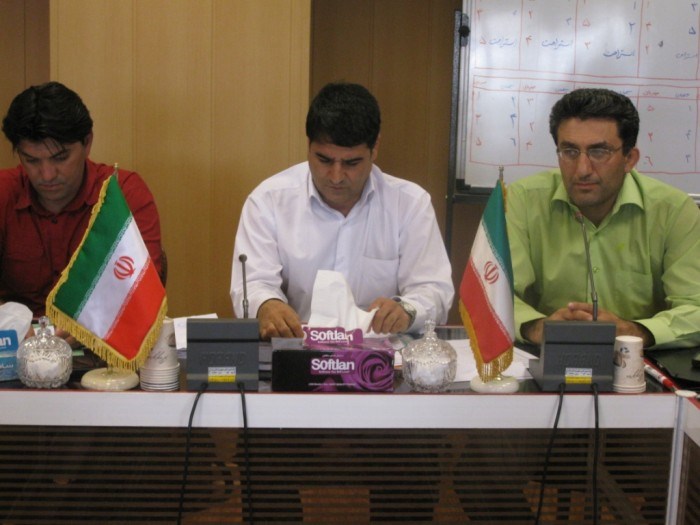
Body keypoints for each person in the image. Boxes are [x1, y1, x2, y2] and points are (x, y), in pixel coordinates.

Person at [231, 82, 454, 339]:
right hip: (298, 350)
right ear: (308, 145)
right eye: (324, 160)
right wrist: (266, 305)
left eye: (351, 163)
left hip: (381, 355)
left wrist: (407, 310)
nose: (336, 176)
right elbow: (253, 284)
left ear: (375, 148)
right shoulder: (268, 201)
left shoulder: (410, 204)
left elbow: (433, 289)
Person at [507, 88, 700, 348]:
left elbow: (695, 306)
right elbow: (491, 296)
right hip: (543, 355)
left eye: (599, 152)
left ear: (629, 159)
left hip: (637, 359)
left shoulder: (673, 210)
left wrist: (634, 331)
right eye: (570, 151)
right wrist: (536, 327)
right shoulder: (521, 201)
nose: (582, 169)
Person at [0, 81, 163, 325]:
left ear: (87, 143)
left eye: (60, 158)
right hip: (16, 339)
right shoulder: (4, 191)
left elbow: (141, 290)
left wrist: (82, 327)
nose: (47, 175)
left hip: (101, 336)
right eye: (32, 161)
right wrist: (15, 326)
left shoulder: (123, 192)